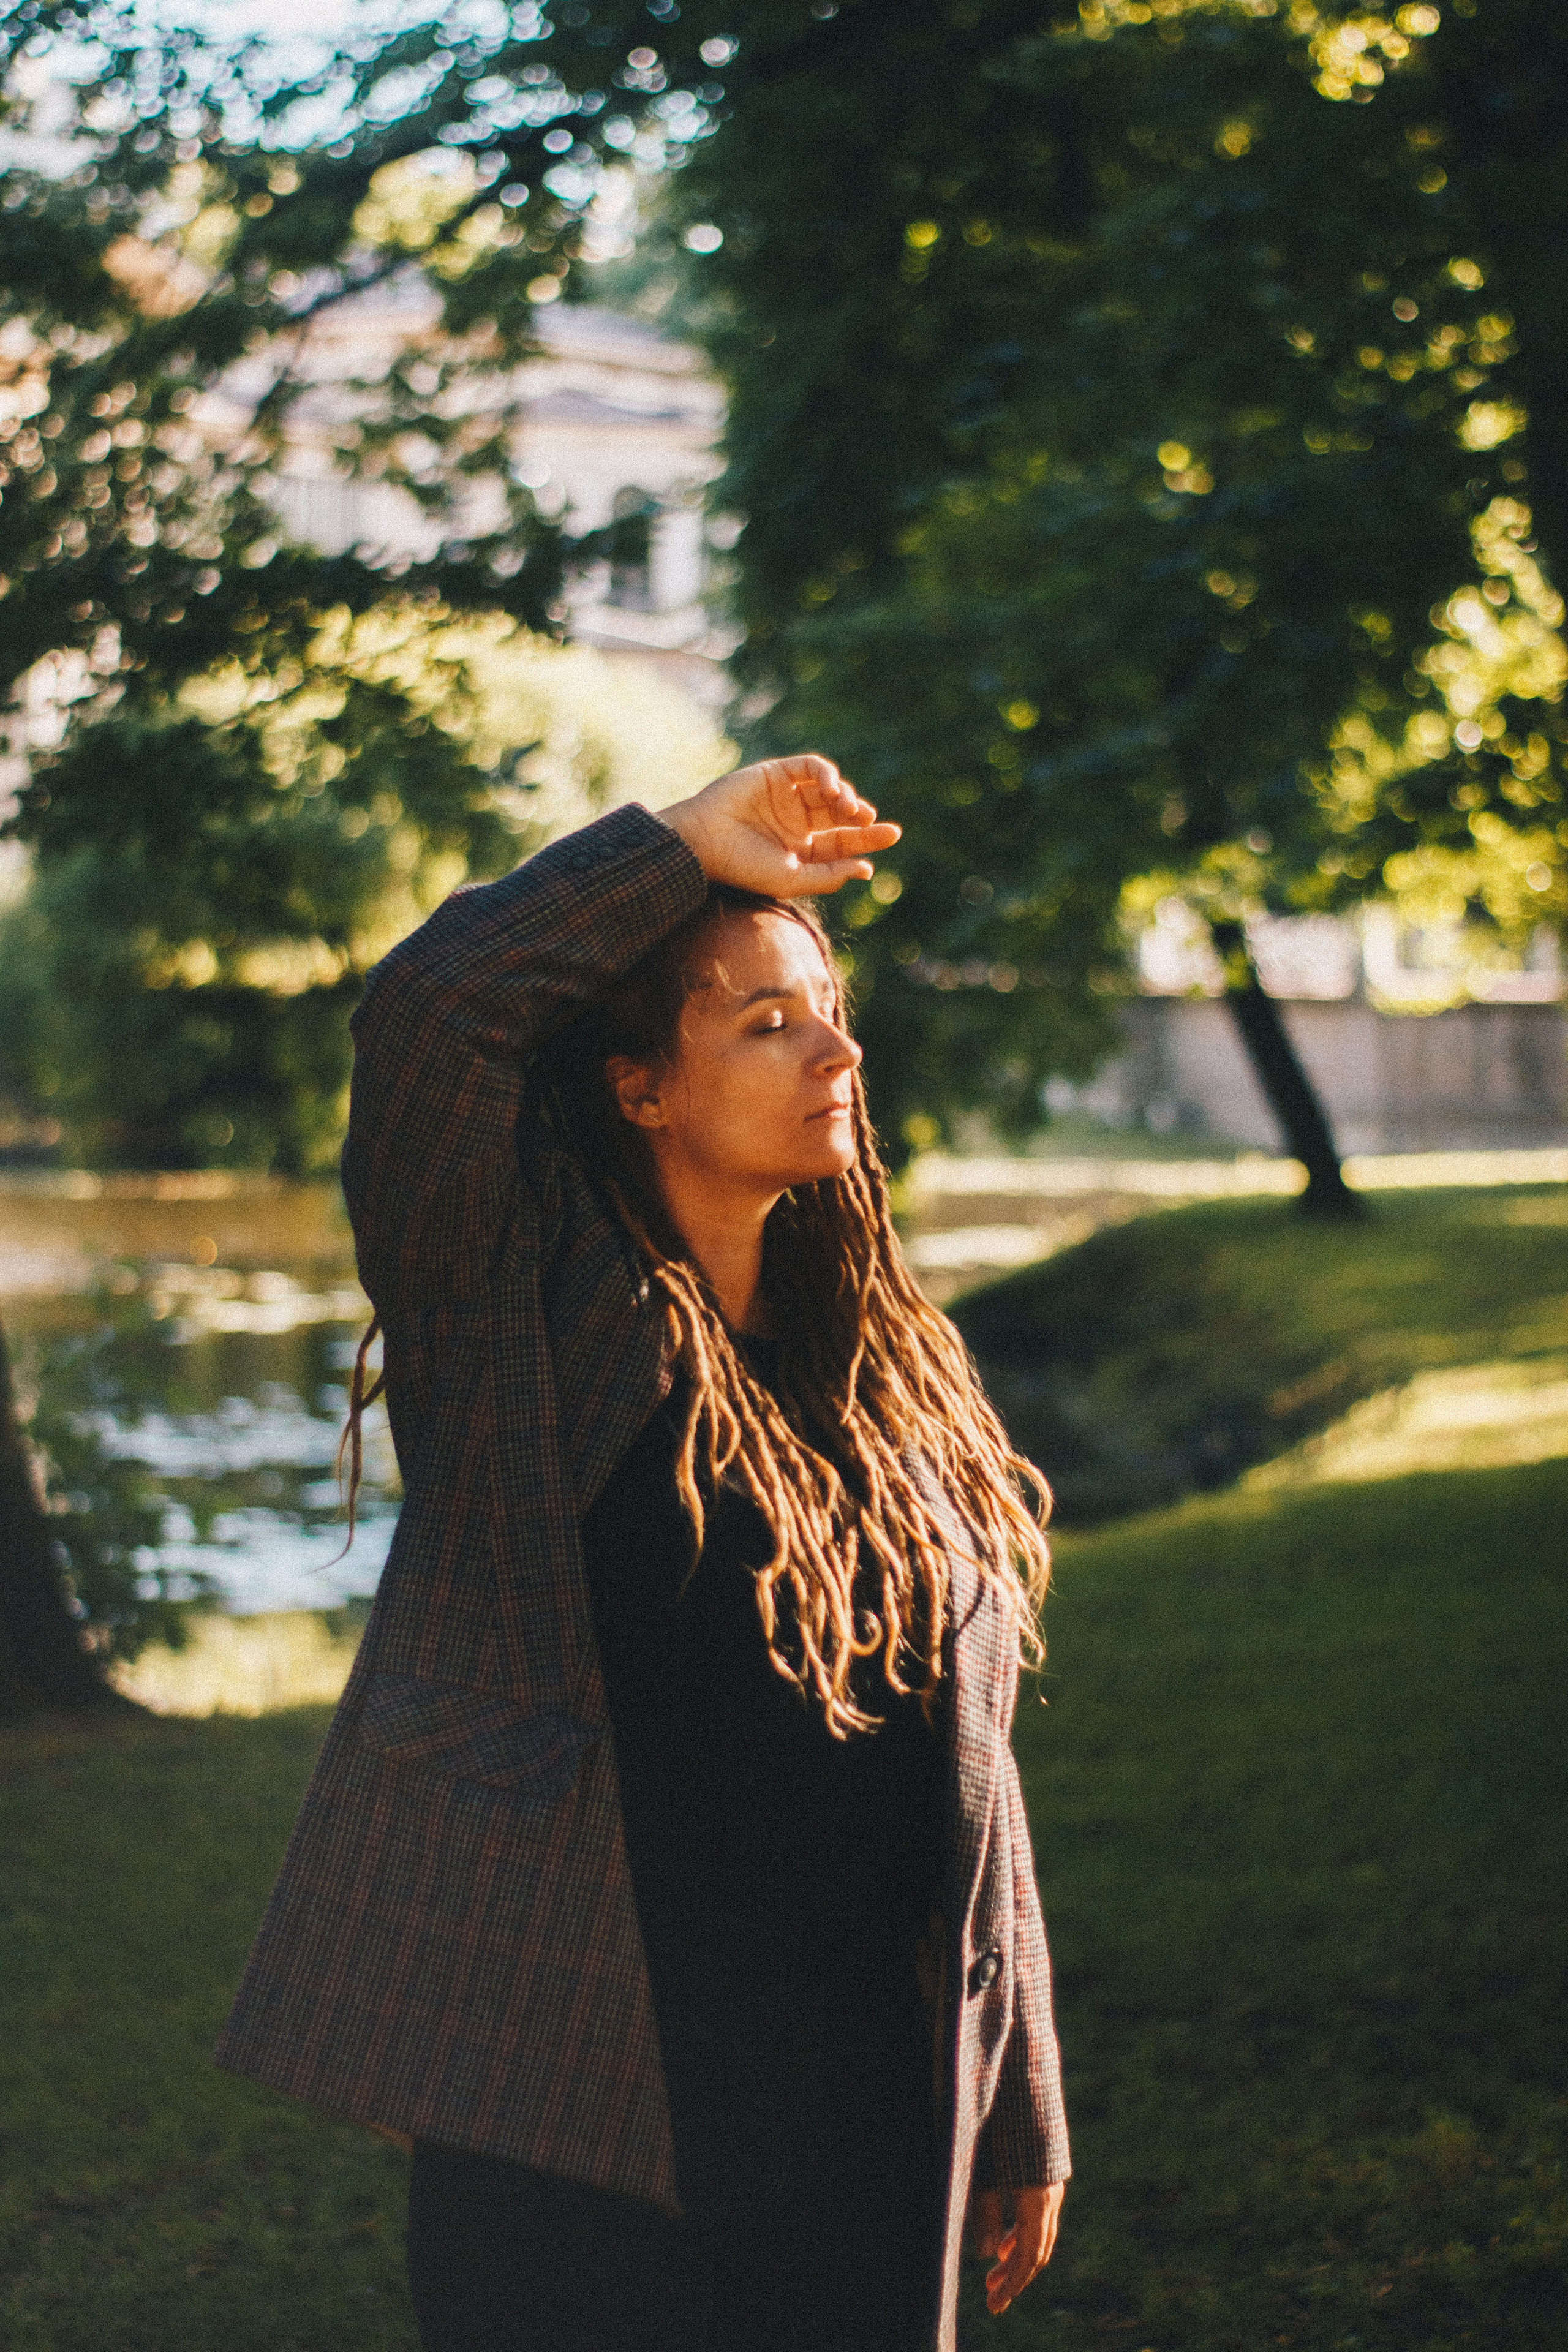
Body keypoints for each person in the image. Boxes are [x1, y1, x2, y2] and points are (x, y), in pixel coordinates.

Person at [218, 755, 1069, 2352]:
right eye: (766, 1021)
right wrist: (680, 845)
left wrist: (1018, 2098)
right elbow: (433, 1015)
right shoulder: (531, 1335)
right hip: (584, 2128)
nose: (838, 1048)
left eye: (827, 1009)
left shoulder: (886, 1372)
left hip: (879, 2119)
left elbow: (967, 1761)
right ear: (636, 1085)